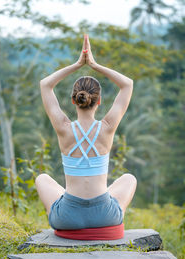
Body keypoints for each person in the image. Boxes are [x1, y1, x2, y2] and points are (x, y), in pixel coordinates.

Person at [35, 34, 137, 230]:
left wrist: (77, 64)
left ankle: (70, 207)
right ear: (98, 101)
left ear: (74, 100)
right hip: (106, 217)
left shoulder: (63, 128)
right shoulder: (107, 127)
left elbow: (45, 85)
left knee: (42, 179)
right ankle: (103, 210)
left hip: (67, 218)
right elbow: (128, 84)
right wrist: (94, 64)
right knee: (129, 179)